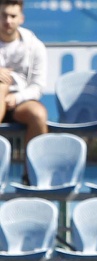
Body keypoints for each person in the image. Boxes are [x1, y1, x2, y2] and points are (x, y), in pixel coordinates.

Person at [0, 0, 47, 155]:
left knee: (38, 115)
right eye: (3, 15)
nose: (8, 21)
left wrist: (16, 98)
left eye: (13, 16)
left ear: (21, 19)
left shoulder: (35, 46)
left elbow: (37, 87)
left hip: (19, 104)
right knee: (1, 85)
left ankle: (31, 176)